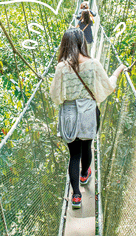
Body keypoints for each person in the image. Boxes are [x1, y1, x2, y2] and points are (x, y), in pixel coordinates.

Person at [50, 28, 127, 209]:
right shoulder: (93, 64)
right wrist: (117, 72)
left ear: (65, 45)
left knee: (73, 155)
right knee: (87, 146)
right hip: (89, 113)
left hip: (69, 114)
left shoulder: (61, 67)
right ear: (82, 43)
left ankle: (76, 196)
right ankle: (85, 174)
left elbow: (55, 96)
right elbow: (108, 87)